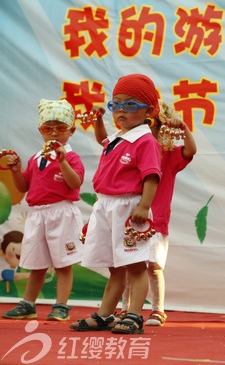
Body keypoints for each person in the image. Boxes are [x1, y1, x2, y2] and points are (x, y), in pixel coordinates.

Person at [69, 73, 162, 334]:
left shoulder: (145, 141)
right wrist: (98, 120)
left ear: (149, 111)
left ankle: (134, 315)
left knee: (135, 264)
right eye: (116, 104)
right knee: (114, 266)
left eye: (130, 104)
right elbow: (103, 139)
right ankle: (104, 315)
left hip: (128, 208)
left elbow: (152, 176)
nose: (121, 110)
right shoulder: (118, 138)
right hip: (106, 206)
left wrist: (143, 206)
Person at [91, 99, 196, 326]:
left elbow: (190, 151)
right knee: (128, 263)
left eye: (151, 122)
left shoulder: (168, 153)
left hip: (154, 220)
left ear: (161, 124)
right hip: (131, 217)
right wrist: (98, 119)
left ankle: (157, 310)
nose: (146, 127)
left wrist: (184, 128)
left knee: (153, 266)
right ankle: (126, 309)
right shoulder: (131, 145)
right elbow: (103, 141)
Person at [2, 99, 84, 321]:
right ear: (41, 130)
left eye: (60, 128)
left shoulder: (72, 157)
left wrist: (62, 161)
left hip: (61, 213)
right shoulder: (35, 158)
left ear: (71, 130)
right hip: (38, 215)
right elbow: (24, 187)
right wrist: (17, 171)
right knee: (37, 263)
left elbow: (75, 182)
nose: (54, 133)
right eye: (48, 128)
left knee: (63, 264)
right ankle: (28, 304)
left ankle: (61, 306)